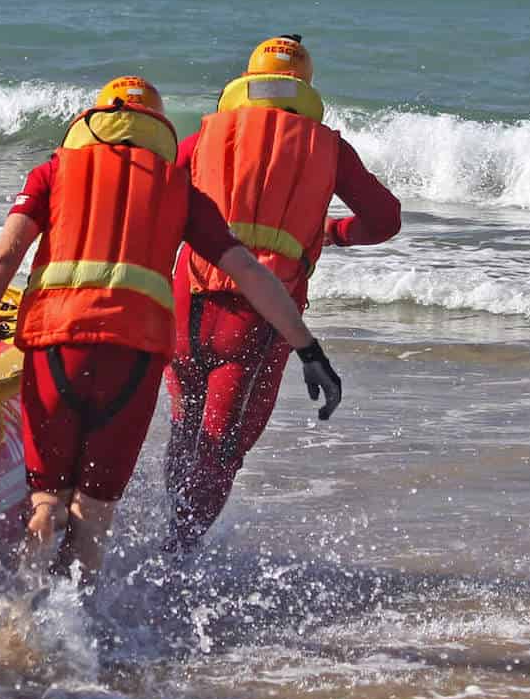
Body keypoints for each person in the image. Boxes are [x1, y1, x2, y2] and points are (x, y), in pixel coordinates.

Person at [0, 75, 343, 586]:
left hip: (57, 349)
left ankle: (21, 621)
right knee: (94, 513)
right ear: (156, 128)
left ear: (95, 123)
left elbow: (5, 256)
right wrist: (308, 349)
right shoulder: (178, 190)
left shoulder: (51, 173)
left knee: (48, 502)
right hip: (132, 360)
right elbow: (250, 273)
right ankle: (83, 629)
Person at [162, 36, 401, 553]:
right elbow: (385, 219)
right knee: (222, 448)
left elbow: (154, 198)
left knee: (186, 428)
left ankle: (162, 539)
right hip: (258, 318)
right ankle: (177, 558)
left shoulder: (205, 136)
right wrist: (335, 234)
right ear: (305, 87)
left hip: (186, 304)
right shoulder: (327, 147)